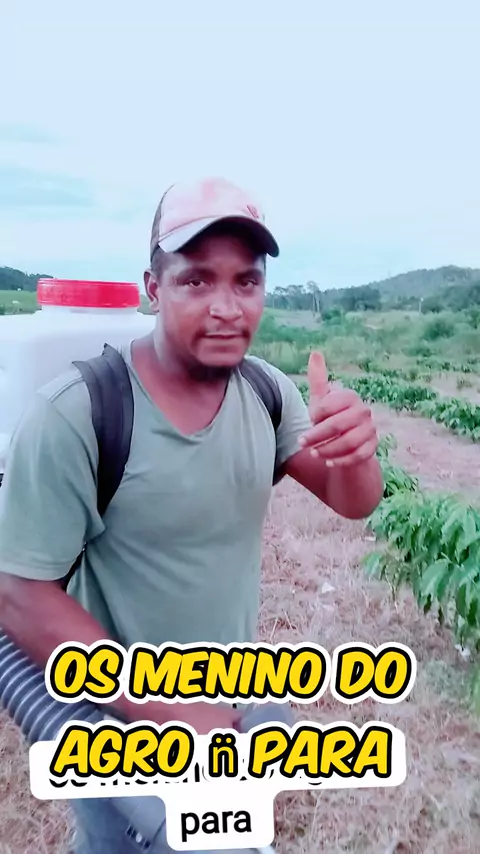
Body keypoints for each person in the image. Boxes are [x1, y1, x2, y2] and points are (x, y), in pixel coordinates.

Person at [0, 176, 383, 852]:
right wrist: (163, 706)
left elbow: (351, 502)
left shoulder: (267, 392)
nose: (227, 308)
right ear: (153, 287)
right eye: (196, 280)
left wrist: (356, 453)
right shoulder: (80, 414)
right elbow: (20, 594)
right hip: (115, 714)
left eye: (246, 281)